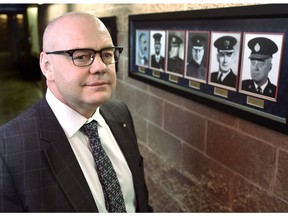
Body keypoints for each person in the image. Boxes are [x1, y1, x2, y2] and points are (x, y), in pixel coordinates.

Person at [0, 12, 152, 212]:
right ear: (47, 66)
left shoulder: (119, 113)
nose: (100, 67)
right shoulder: (8, 150)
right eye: (81, 56)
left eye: (106, 54)